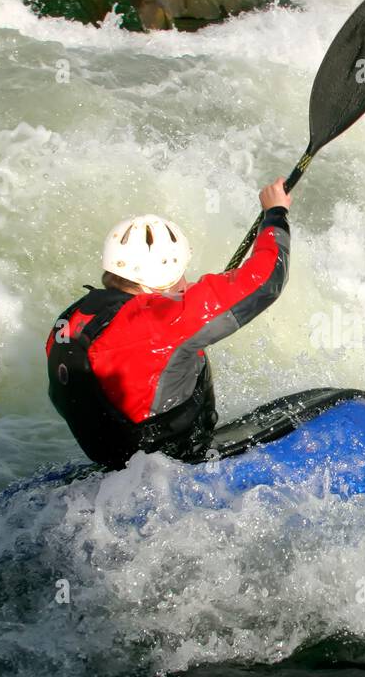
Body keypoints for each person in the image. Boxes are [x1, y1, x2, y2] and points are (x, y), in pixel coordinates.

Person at [45, 179, 292, 468]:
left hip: (114, 457)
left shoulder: (72, 318)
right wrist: (275, 213)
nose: (186, 283)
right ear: (163, 276)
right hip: (173, 458)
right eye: (181, 274)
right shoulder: (162, 321)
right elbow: (266, 280)